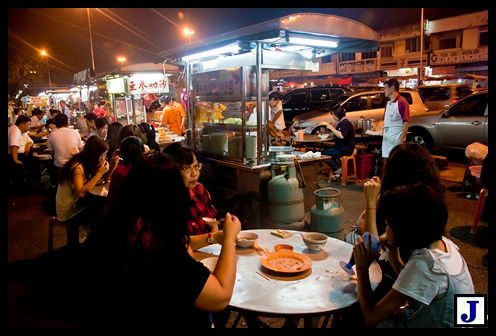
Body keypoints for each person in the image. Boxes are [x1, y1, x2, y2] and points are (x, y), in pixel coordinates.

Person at [103, 152, 241, 328]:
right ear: (171, 197)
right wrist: (229, 238)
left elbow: (183, 242)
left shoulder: (124, 225)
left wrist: (213, 237)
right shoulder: (160, 250)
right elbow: (220, 297)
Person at [354, 183, 474, 327]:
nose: (386, 229)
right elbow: (411, 283)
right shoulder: (444, 245)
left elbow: (370, 317)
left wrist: (361, 268)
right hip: (468, 321)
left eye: (388, 224)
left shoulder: (425, 265)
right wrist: (393, 251)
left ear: (404, 230)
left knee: (357, 315)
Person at [56, 136, 110, 246]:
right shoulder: (77, 166)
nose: (105, 157)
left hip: (75, 204)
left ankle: (91, 241)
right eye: (103, 154)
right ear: (95, 154)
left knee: (102, 208)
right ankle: (91, 244)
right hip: (69, 210)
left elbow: (101, 181)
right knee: (101, 211)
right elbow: (81, 193)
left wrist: (112, 166)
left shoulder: (86, 162)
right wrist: (100, 173)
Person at [163, 143, 220, 237]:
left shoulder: (199, 190)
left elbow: (213, 223)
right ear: (171, 170)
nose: (194, 174)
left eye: (196, 166)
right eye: (187, 168)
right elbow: (180, 244)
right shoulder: (165, 200)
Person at [322, 106, 355, 181]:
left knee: (323, 155)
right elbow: (337, 134)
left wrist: (331, 127)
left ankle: (338, 169)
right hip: (340, 147)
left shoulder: (345, 123)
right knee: (324, 151)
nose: (333, 117)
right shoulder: (341, 123)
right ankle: (338, 169)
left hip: (346, 149)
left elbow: (342, 136)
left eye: (333, 115)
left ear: (338, 115)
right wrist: (328, 133)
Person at [381, 78, 410, 165]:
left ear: (392, 88)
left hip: (396, 140)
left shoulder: (402, 102)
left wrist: (401, 141)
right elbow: (386, 120)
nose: (384, 91)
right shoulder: (388, 103)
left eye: (386, 88)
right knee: (387, 164)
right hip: (387, 139)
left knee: (396, 165)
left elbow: (406, 122)